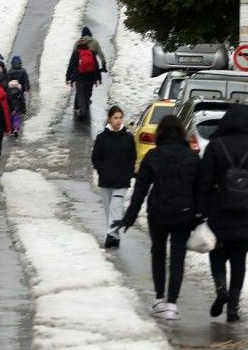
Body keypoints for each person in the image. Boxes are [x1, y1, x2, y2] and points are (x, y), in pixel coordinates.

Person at [115, 115, 201, 321]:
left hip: (159, 213)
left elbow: (140, 190)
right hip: (184, 213)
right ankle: (172, 303)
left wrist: (129, 217)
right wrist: (199, 215)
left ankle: (159, 299)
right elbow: (200, 189)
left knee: (159, 254)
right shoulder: (192, 157)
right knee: (178, 258)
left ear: (160, 133)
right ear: (181, 133)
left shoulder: (153, 156)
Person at [196, 103, 248, 322]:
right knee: (239, 259)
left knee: (217, 252)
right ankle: (233, 306)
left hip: (219, 209)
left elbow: (204, 180)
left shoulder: (215, 146)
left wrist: (201, 210)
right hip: (245, 211)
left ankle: (221, 290)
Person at [91, 105, 136, 248]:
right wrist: (101, 170)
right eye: (115, 118)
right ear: (109, 119)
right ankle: (115, 236)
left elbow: (132, 158)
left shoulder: (128, 138)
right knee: (108, 210)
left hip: (122, 181)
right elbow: (95, 158)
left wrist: (128, 173)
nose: (118, 120)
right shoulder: (101, 138)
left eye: (120, 118)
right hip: (106, 180)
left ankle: (111, 234)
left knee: (116, 208)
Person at [65, 28, 106, 120]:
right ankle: (84, 107)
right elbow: (96, 64)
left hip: (79, 76)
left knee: (80, 93)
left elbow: (71, 64)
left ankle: (81, 110)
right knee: (87, 93)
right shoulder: (92, 50)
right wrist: (99, 77)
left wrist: (68, 76)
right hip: (90, 76)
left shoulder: (76, 48)